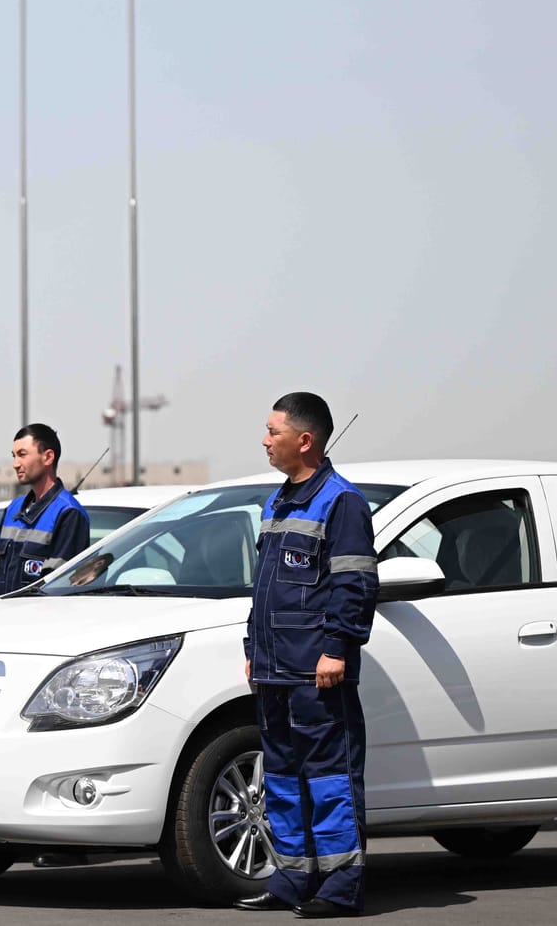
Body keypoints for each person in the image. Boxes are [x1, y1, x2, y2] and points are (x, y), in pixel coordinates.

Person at [238, 392, 378, 918]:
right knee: (281, 780)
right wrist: (253, 650)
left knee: (329, 778)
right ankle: (292, 880)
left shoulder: (342, 502)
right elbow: (265, 589)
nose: (264, 440)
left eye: (273, 431)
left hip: (316, 671)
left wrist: (336, 648)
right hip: (274, 670)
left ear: (304, 440)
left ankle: (340, 888)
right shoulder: (278, 502)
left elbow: (355, 583)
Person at [0, 423, 91, 595]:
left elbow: (57, 585)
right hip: (1, 611)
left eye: (22, 455)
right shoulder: (13, 509)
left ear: (48, 457)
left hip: (38, 612)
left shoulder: (69, 513)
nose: (15, 464)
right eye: (14, 456)